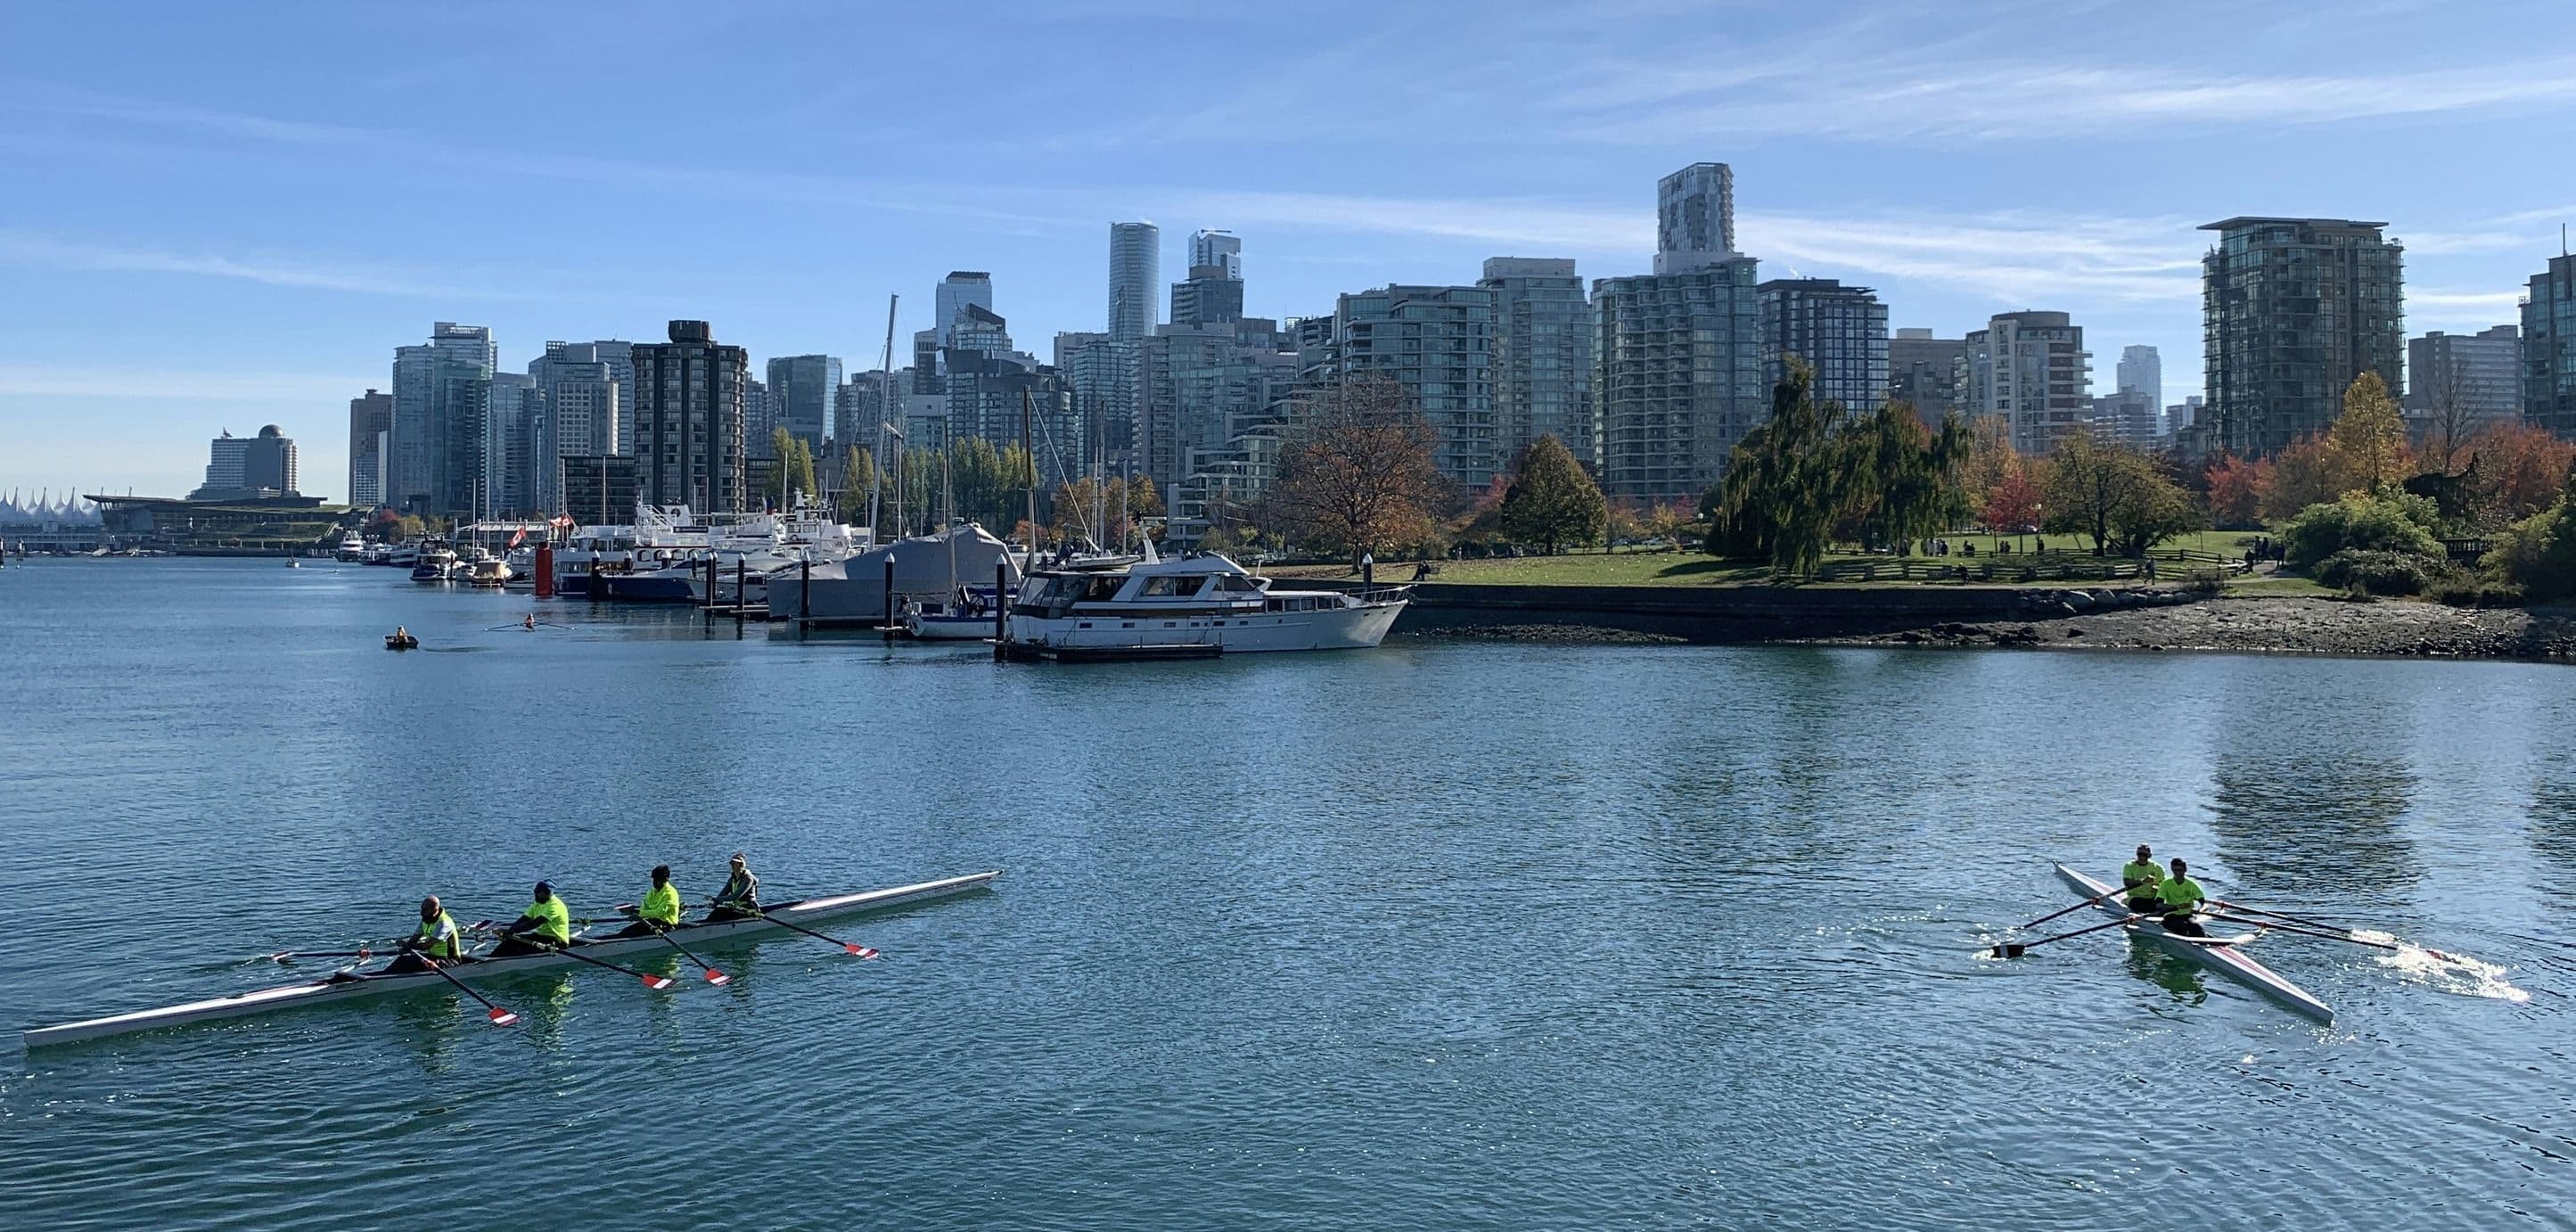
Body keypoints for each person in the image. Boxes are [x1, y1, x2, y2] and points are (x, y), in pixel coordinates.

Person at [492, 881, 572, 956]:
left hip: (556, 941)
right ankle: (492, 958)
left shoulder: (555, 906)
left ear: (547, 894)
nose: (535, 895)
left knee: (515, 946)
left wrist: (510, 931)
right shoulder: (538, 903)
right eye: (535, 892)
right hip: (541, 936)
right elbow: (524, 919)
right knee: (510, 941)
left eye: (538, 893)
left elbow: (534, 924)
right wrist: (510, 930)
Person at [387, 895, 463, 973]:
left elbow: (426, 946)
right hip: (433, 957)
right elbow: (414, 940)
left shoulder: (443, 922)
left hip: (449, 960)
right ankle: (382, 977)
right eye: (422, 909)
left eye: (425, 910)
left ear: (435, 909)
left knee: (422, 964)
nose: (421, 912)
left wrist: (409, 946)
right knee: (402, 960)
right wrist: (405, 946)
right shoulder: (426, 919)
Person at [618, 865, 684, 937]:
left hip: (667, 926)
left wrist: (638, 912)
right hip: (653, 923)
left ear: (665, 879)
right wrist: (632, 911)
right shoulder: (651, 892)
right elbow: (644, 908)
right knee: (625, 932)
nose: (654, 882)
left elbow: (658, 913)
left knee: (630, 934)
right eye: (654, 879)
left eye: (657, 879)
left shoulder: (671, 893)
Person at [2158, 858, 2209, 938]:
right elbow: (2159, 905)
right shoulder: (2165, 884)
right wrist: (2177, 907)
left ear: (2185, 870)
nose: (2178, 873)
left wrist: (2200, 910)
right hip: (2171, 915)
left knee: (2196, 927)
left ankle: (2203, 943)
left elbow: (2204, 904)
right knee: (2182, 927)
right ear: (2172, 870)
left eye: (2180, 870)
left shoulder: (2191, 885)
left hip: (2187, 915)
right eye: (2175, 871)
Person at [710, 852, 761, 921]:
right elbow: (723, 893)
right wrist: (715, 903)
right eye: (732, 863)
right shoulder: (732, 878)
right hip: (738, 907)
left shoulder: (749, 879)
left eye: (735, 863)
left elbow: (735, 896)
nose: (732, 865)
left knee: (728, 914)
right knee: (716, 912)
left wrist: (717, 899)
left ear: (741, 865)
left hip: (749, 909)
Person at [2119, 846, 2165, 914]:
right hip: (2135, 898)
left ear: (2150, 855)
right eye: (2139, 854)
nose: (2142, 857)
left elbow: (2163, 885)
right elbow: (2127, 883)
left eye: (2145, 855)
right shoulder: (2129, 866)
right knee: (2139, 904)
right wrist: (2142, 881)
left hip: (2153, 898)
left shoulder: (2157, 867)